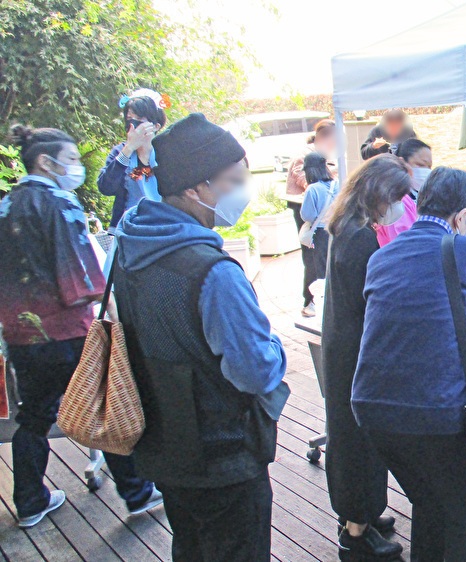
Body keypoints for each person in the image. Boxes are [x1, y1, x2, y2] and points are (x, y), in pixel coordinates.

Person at [114, 113, 289, 561]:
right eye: (233, 181)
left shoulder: (132, 251)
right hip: (224, 455)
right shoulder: (211, 271)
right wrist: (276, 349)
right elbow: (254, 370)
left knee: (190, 547)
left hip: (166, 445)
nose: (242, 193)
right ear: (195, 188)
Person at [353, 167, 466, 562]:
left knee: (429, 503)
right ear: (462, 216)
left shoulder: (383, 255)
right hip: (435, 412)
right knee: (464, 512)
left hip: (372, 411)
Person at [0, 125, 161, 528]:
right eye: (71, 159)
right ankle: (137, 493)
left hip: (20, 333)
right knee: (104, 406)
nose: (75, 167)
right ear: (45, 162)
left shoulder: (5, 206)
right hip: (67, 330)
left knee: (34, 416)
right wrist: (105, 306)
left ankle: (31, 501)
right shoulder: (59, 202)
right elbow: (82, 280)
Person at [322, 154, 409, 560]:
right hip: (359, 351)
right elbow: (376, 300)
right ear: (380, 194)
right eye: (396, 197)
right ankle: (356, 531)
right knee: (358, 442)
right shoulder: (362, 238)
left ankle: (363, 516)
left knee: (351, 436)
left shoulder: (345, 225)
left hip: (341, 345)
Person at [97, 89, 170, 232]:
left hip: (162, 228)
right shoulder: (120, 152)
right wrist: (128, 149)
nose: (133, 127)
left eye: (138, 121)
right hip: (125, 230)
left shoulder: (167, 154)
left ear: (156, 126)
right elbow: (105, 187)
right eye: (129, 121)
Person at [287, 118, 337, 315]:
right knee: (313, 261)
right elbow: (303, 180)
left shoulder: (327, 155)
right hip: (314, 220)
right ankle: (311, 300)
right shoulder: (305, 156)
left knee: (321, 260)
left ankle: (319, 300)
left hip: (319, 222)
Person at [299, 151, 339, 312]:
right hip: (337, 230)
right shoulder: (337, 184)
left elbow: (307, 215)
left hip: (321, 233)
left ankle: (324, 307)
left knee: (321, 270)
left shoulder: (312, 189)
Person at [374, 137, 431, 246]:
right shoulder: (398, 201)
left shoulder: (411, 197)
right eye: (420, 165)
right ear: (402, 163)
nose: (426, 171)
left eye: (429, 167)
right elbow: (407, 245)